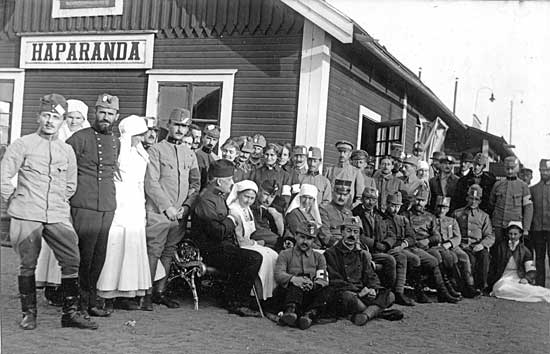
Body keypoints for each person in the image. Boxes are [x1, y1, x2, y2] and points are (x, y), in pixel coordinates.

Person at [1, 93, 97, 330]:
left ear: (62, 120)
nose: (50, 121)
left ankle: (70, 313)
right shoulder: (23, 144)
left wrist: (58, 202)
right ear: (38, 117)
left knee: (72, 259)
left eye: (55, 117)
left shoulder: (66, 151)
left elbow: (70, 184)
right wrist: (15, 199)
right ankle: (29, 314)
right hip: (27, 213)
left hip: (56, 214)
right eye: (46, 115)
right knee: (28, 263)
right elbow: (4, 177)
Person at [66, 93, 121, 317]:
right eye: (102, 112)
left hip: (107, 204)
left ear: (116, 117)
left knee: (100, 255)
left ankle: (91, 301)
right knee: (84, 254)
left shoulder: (116, 141)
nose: (105, 117)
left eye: (110, 114)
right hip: (84, 203)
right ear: (94, 113)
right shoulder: (78, 139)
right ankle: (78, 303)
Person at [144, 108, 201, 310]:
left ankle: (160, 292)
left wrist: (186, 207)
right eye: (176, 124)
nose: (179, 129)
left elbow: (195, 184)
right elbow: (151, 183)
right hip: (159, 212)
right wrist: (166, 207)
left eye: (184, 126)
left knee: (168, 252)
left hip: (179, 215)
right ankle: (146, 294)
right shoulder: (156, 150)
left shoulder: (190, 154)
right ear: (168, 125)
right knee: (154, 251)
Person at [35, 98, 90, 306]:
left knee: (70, 244)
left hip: (76, 193)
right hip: (56, 197)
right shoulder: (59, 136)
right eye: (71, 117)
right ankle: (52, 285)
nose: (74, 121)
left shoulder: (85, 136)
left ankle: (68, 287)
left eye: (78, 118)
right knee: (53, 242)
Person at [192, 160, 262, 316]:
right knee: (253, 258)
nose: (232, 183)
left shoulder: (217, 196)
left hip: (223, 246)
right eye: (229, 179)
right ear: (218, 181)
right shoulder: (206, 200)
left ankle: (235, 298)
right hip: (211, 250)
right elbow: (217, 231)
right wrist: (231, 219)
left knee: (254, 254)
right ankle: (237, 302)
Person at [95, 116, 151, 310]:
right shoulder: (118, 150)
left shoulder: (141, 153)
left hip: (135, 204)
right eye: (139, 135)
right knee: (115, 246)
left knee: (132, 246)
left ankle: (126, 292)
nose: (142, 139)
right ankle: (106, 293)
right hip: (120, 203)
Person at [325, 217, 401, 325]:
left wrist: (373, 289)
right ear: (342, 232)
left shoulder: (362, 254)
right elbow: (334, 279)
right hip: (347, 292)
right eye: (348, 231)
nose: (352, 235)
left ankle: (364, 315)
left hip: (363, 293)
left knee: (390, 295)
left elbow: (371, 276)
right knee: (346, 297)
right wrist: (358, 293)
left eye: (356, 232)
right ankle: (375, 313)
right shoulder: (330, 253)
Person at [352, 187, 414, 306]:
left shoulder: (379, 215)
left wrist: (386, 244)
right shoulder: (356, 213)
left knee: (401, 257)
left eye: (373, 199)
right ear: (362, 199)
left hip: (382, 248)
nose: (370, 202)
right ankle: (385, 291)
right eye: (367, 199)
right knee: (389, 260)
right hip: (367, 249)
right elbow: (357, 235)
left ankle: (398, 292)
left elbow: (391, 234)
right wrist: (375, 244)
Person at [404, 188, 461, 302]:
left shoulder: (430, 217)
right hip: (412, 246)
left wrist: (428, 241)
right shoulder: (406, 215)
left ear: (427, 202)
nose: (420, 203)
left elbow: (437, 236)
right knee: (433, 258)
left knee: (439, 255)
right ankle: (443, 291)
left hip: (426, 246)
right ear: (414, 200)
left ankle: (444, 290)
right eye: (418, 200)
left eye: (423, 200)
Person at [274, 221, 332, 330]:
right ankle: (290, 312)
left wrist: (313, 284)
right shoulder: (285, 254)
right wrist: (294, 279)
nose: (305, 241)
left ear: (313, 240)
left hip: (309, 292)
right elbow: (279, 274)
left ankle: (309, 315)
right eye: (302, 237)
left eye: (309, 239)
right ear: (295, 236)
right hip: (291, 293)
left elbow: (323, 278)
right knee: (293, 287)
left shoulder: (319, 257)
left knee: (327, 290)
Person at [227, 180, 279, 300]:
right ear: (238, 194)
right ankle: (254, 295)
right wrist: (256, 243)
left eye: (252, 198)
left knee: (273, 255)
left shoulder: (247, 209)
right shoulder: (234, 210)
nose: (248, 201)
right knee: (263, 257)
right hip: (240, 245)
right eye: (246, 197)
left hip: (250, 242)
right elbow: (238, 239)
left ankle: (267, 296)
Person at [489, 221, 550, 303]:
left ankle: (544, 294)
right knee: (501, 289)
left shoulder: (525, 250)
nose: (513, 236)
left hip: (517, 276)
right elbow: (493, 265)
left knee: (525, 289)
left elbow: (531, 269)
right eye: (510, 234)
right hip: (503, 276)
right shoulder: (501, 247)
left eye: (515, 234)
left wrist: (526, 278)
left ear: (520, 234)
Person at [453, 184, 495, 293]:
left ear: (480, 201)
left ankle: (481, 286)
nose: (473, 201)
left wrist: (482, 245)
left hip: (477, 245)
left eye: (476, 199)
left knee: (484, 256)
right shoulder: (457, 213)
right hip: (462, 246)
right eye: (471, 198)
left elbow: (490, 235)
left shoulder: (484, 216)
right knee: (468, 259)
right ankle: (467, 286)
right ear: (467, 198)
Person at [488, 156, 533, 245]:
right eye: (507, 168)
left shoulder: (523, 186)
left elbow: (528, 208)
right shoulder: (497, 185)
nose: (510, 171)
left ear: (517, 169)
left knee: (514, 250)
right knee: (498, 249)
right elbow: (491, 204)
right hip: (498, 224)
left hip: (514, 225)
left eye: (512, 168)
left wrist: (526, 228)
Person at [324, 140, 368, 206]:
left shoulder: (355, 172)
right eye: (340, 152)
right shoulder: (329, 170)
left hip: (347, 209)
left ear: (350, 154)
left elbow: (360, 196)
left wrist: (352, 207)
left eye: (345, 152)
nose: (342, 155)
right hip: (330, 208)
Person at [529, 159, 550, 286]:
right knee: (539, 258)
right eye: (542, 170)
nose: (545, 172)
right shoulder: (534, 189)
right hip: (537, 229)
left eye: (547, 170)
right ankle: (540, 286)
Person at [318, 180, 355, 249]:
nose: (342, 198)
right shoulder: (324, 210)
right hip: (333, 248)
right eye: (339, 194)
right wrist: (342, 246)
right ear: (333, 193)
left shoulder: (349, 213)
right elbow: (325, 235)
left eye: (345, 195)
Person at [250, 180, 284, 250]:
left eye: (272, 196)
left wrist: (277, 217)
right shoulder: (252, 206)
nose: (268, 199)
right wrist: (280, 240)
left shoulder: (274, 208)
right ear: (259, 191)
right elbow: (257, 231)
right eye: (266, 194)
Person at [196, 124, 221, 189]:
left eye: (214, 140)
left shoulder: (216, 159)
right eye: (208, 138)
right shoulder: (196, 154)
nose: (211, 142)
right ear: (203, 138)